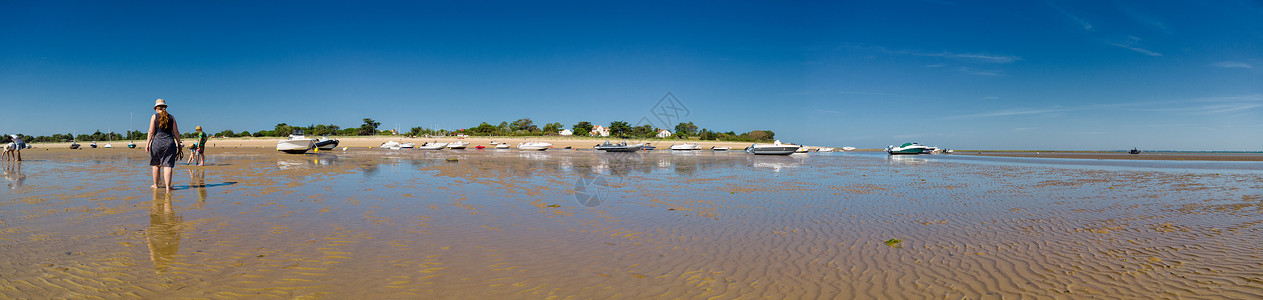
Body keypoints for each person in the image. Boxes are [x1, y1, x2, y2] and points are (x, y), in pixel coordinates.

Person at [145, 99, 183, 191]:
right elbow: (176, 132)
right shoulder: (172, 117)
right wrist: (179, 143)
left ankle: (156, 185)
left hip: (157, 143)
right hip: (169, 143)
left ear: (156, 108)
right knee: (168, 165)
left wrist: (147, 144)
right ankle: (168, 187)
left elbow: (151, 131)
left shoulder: (154, 117)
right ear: (165, 107)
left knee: (156, 165)